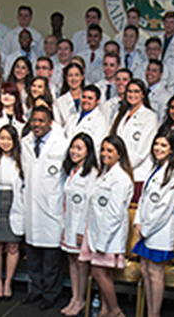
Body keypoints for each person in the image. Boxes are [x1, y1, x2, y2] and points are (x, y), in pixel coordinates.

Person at [21, 106, 70, 310]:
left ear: (50, 122)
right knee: (33, 257)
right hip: (31, 208)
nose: (37, 125)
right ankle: (36, 290)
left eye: (41, 121)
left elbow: (67, 178)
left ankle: (51, 293)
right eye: (34, 120)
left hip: (52, 208)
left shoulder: (62, 144)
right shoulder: (25, 143)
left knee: (51, 260)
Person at [80, 135, 133, 317]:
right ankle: (105, 311)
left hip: (109, 234)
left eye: (110, 150)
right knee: (106, 275)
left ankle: (116, 311)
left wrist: (102, 241)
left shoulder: (120, 178)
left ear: (119, 154)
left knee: (98, 273)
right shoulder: (104, 174)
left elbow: (114, 213)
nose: (104, 154)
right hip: (98, 231)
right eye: (103, 149)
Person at [133, 133, 174, 317]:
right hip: (146, 229)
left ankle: (155, 314)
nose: (158, 148)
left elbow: (164, 208)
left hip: (158, 230)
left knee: (155, 274)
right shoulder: (154, 169)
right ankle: (149, 311)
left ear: (172, 150)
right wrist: (138, 221)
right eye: (156, 144)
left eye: (163, 145)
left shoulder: (173, 174)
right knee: (145, 270)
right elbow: (144, 199)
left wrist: (145, 229)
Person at [59, 133, 97, 317]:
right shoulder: (71, 171)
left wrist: (82, 230)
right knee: (72, 262)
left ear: (88, 151)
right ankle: (74, 297)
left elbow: (90, 205)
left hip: (82, 227)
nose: (74, 151)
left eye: (79, 148)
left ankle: (81, 299)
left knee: (81, 264)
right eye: (73, 147)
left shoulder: (92, 174)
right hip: (69, 224)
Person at [0, 125, 26, 302]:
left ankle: (8, 282)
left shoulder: (22, 160)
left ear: (14, 141)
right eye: (2, 138)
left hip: (15, 203)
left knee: (12, 246)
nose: (5, 142)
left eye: (9, 139)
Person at [109, 79, 159, 202]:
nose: (132, 95)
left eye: (136, 91)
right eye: (129, 91)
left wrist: (121, 166)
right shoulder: (120, 114)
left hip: (137, 175)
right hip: (117, 173)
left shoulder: (149, 117)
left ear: (143, 94)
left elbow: (142, 151)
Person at [55, 63, 86, 128]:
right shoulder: (59, 101)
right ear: (66, 78)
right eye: (70, 75)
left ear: (82, 77)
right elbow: (58, 125)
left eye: (77, 75)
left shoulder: (89, 98)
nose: (73, 78)